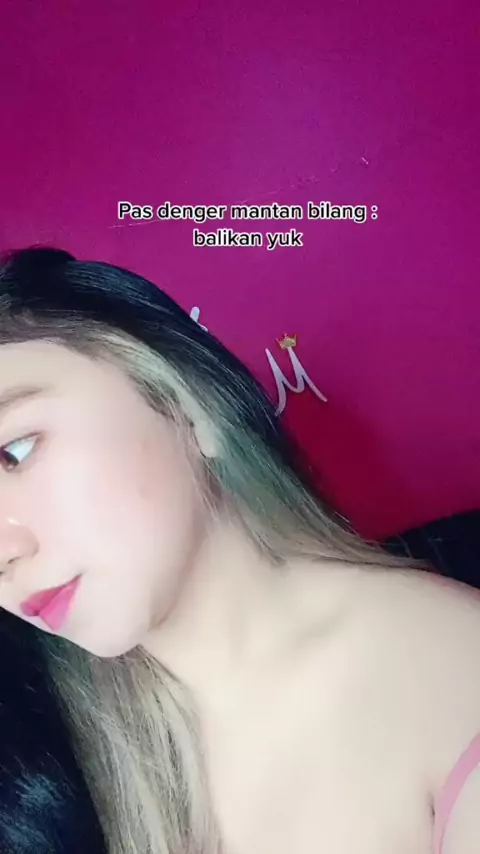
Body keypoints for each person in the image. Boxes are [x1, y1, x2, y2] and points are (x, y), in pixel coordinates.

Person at [0, 246, 478, 854]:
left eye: (15, 452)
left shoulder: (449, 680)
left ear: (187, 406)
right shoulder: (59, 763)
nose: (4, 550)